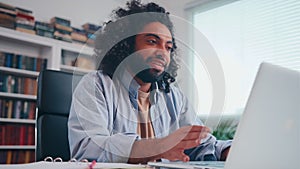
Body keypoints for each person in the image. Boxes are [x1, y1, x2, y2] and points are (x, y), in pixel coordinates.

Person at [68, 0, 231, 164]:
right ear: (127, 45)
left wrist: (232, 151)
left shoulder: (173, 96)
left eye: (168, 47)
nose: (162, 52)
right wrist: (160, 146)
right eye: (152, 42)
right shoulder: (96, 85)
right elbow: (89, 148)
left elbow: (202, 144)